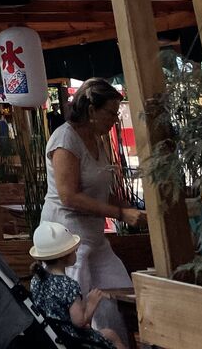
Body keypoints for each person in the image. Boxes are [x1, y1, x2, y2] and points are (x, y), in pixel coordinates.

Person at [41, 78, 144, 343]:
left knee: (120, 292)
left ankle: (116, 343)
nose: (115, 120)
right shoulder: (65, 139)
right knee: (78, 313)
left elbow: (98, 189)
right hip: (67, 241)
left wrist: (128, 207)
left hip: (94, 238)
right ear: (91, 110)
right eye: (110, 113)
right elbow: (69, 196)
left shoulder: (97, 140)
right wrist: (119, 214)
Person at [29, 221, 121, 349]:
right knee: (112, 337)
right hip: (72, 340)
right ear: (65, 256)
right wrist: (91, 303)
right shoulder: (69, 285)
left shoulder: (36, 280)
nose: (76, 251)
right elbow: (79, 322)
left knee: (109, 334)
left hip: (50, 336)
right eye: (74, 250)